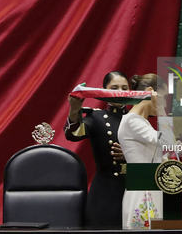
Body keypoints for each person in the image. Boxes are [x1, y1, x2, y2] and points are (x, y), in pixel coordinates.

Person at [64, 71, 129, 229]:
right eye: (114, 87)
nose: (120, 92)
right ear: (104, 90)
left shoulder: (138, 118)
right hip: (105, 191)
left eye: (124, 88)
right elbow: (73, 134)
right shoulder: (97, 117)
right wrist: (74, 110)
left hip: (134, 189)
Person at [117, 73, 174, 229]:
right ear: (151, 92)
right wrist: (162, 110)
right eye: (164, 97)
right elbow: (167, 139)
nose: (165, 103)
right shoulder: (132, 121)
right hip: (142, 193)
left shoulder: (142, 122)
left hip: (150, 188)